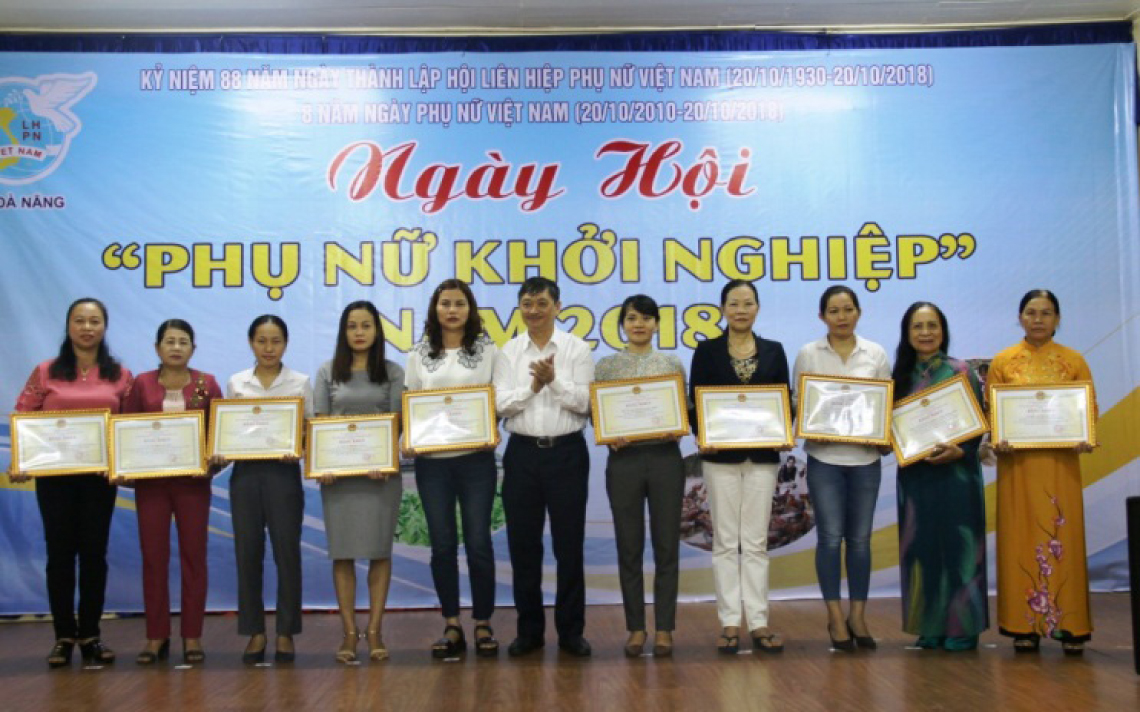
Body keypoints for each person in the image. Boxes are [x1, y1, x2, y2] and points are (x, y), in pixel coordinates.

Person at [11, 297, 133, 667]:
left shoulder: (119, 375)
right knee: (60, 555)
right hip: (55, 479)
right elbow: (23, 416)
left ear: (104, 327)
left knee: (94, 555)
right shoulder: (46, 371)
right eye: (79, 320)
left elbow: (127, 427)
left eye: (94, 320)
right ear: (68, 326)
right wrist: (21, 461)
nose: (87, 327)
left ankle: (91, 634)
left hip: (99, 479)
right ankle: (64, 636)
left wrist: (123, 463)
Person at [989, 289, 1097, 655]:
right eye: (1031, 312)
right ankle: (1024, 626)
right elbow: (993, 418)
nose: (1038, 319)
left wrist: (1085, 437)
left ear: (1057, 319)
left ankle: (1071, 625)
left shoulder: (1074, 362)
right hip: (1017, 469)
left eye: (1046, 313)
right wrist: (997, 438)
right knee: (1019, 538)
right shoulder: (1003, 362)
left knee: (1062, 536)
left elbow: (1088, 414)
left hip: (1060, 468)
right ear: (1019, 317)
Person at [492, 277, 594, 657]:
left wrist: (554, 382)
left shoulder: (577, 349)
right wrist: (533, 389)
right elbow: (501, 406)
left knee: (570, 547)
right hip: (522, 455)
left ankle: (571, 632)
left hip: (567, 454)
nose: (533, 310)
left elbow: (585, 403)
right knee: (524, 547)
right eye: (526, 303)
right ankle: (530, 631)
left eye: (540, 302)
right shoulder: (508, 352)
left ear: (557, 306)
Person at [689, 279, 789, 655]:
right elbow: (696, 403)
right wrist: (706, 435)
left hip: (762, 456)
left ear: (758, 308)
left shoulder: (775, 351)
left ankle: (760, 622)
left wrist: (782, 428)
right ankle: (730, 621)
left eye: (748, 303)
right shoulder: (706, 350)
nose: (741, 309)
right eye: (734, 303)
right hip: (720, 457)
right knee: (726, 542)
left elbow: (785, 402)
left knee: (757, 542)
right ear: (722, 309)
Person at [792, 285, 890, 652]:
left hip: (865, 461)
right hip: (825, 459)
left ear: (859, 313)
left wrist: (875, 431)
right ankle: (835, 616)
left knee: (861, 542)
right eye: (834, 311)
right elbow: (802, 404)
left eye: (848, 309)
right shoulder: (808, 353)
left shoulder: (875, 353)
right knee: (830, 540)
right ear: (822, 317)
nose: (842, 316)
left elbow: (883, 402)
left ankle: (859, 615)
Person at [405, 280, 500, 658]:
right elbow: (411, 400)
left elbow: (497, 396)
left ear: (470, 308)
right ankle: (451, 623)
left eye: (460, 303)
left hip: (476, 460)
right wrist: (410, 436)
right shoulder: (419, 352)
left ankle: (482, 622)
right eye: (445, 303)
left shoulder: (488, 349)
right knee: (443, 545)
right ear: (435, 308)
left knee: (478, 542)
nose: (452, 310)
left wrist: (490, 426)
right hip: (433, 464)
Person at [121, 319, 223, 665]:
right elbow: (127, 432)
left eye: (183, 341)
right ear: (157, 348)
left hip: (193, 486)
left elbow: (219, 435)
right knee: (153, 558)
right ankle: (156, 636)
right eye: (169, 341)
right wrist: (123, 468)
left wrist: (214, 462)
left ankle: (192, 635)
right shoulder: (141, 384)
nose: (176, 347)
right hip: (151, 486)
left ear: (193, 348)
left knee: (194, 558)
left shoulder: (207, 384)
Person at [890, 302, 988, 651]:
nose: (926, 332)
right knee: (923, 550)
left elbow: (979, 428)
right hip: (916, 482)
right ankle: (928, 624)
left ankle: (963, 627)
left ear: (943, 330)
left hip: (958, 476)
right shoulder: (898, 376)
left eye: (932, 325)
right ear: (907, 333)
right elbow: (891, 431)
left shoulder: (962, 371)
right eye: (918, 326)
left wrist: (962, 451)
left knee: (960, 551)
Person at [595, 294, 686, 658]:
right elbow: (595, 413)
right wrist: (607, 429)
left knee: (667, 547)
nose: (639, 324)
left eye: (647, 318)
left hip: (665, 458)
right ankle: (635, 627)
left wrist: (677, 425)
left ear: (657, 325)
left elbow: (685, 411)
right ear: (622, 323)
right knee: (628, 547)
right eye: (632, 317)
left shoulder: (672, 362)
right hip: (625, 461)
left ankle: (664, 628)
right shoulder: (606, 366)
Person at [314, 301, 404, 664]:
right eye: (352, 326)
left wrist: (386, 459)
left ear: (377, 331)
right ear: (344, 331)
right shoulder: (326, 372)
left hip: (380, 477)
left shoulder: (393, 372)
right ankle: (349, 633)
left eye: (366, 326)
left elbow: (397, 423)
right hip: (339, 479)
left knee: (379, 551)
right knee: (343, 553)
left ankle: (375, 630)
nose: (359, 332)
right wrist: (324, 463)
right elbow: (320, 423)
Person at [224, 315, 313, 664]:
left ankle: (286, 632)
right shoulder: (236, 383)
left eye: (275, 341)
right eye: (261, 340)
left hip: (283, 475)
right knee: (248, 554)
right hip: (244, 475)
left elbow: (309, 433)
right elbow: (227, 431)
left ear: (286, 344)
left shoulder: (300, 382)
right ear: (251, 343)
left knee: (286, 553)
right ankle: (255, 632)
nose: (268, 348)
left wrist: (302, 445)